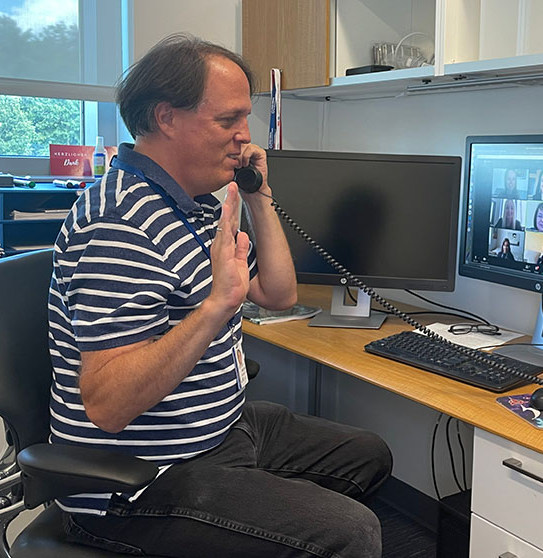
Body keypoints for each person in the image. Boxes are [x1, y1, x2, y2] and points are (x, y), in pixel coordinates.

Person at [47, 34, 391, 558]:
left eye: (245, 120)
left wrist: (258, 196)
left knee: (368, 455)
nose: (245, 137)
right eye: (228, 120)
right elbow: (108, 405)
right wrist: (215, 308)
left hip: (220, 432)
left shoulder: (197, 205)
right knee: (351, 531)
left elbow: (278, 293)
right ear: (166, 117)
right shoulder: (119, 224)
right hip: (137, 482)